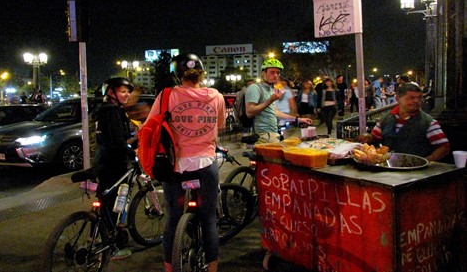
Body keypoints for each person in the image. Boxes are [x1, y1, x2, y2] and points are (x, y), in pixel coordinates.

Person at [144, 53, 225, 272]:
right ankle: (212, 269)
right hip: (206, 164)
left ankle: (170, 269)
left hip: (175, 165)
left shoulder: (166, 95)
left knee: (173, 219)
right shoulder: (216, 96)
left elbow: (150, 125)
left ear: (177, 75)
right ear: (201, 73)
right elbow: (221, 125)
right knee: (209, 220)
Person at [91, 77, 134, 258]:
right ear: (111, 93)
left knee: (103, 201)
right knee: (113, 204)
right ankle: (110, 247)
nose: (127, 95)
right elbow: (118, 141)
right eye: (123, 91)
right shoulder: (113, 112)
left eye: (128, 91)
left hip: (102, 161)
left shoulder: (102, 110)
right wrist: (132, 153)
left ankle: (94, 239)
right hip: (114, 162)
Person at [359, 83, 450, 161]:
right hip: (388, 168)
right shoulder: (386, 119)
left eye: (419, 98)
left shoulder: (428, 123)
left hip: (416, 173)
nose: (416, 101)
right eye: (411, 97)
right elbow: (375, 136)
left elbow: (444, 147)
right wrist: (368, 137)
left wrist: (426, 161)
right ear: (398, 98)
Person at [245, 58, 312, 144]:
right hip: (263, 135)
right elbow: (249, 112)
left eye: (278, 73)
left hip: (273, 133)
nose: (275, 75)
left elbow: (275, 112)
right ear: (263, 73)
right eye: (272, 72)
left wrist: (298, 119)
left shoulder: (270, 89)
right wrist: (271, 99)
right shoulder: (255, 88)